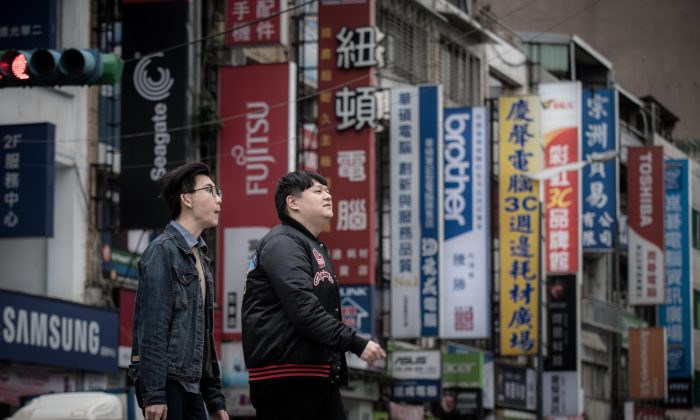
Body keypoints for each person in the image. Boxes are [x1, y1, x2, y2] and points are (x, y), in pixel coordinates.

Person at [242, 170, 386, 420]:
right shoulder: (283, 243)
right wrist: (356, 343)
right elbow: (304, 309)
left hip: (313, 374)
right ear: (293, 202)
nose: (328, 196)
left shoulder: (308, 244)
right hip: (286, 377)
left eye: (328, 191)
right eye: (318, 191)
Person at [129, 162, 228, 420]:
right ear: (186, 199)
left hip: (192, 384)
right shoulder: (163, 251)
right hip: (168, 382)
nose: (218, 199)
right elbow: (153, 327)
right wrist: (155, 395)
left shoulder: (201, 258)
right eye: (210, 190)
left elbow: (204, 338)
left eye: (218, 192)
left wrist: (215, 400)